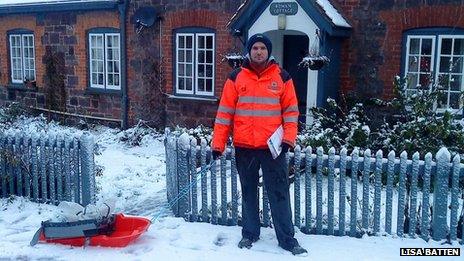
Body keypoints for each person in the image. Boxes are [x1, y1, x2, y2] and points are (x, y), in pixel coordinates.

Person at [211, 33, 307, 256]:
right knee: (248, 192)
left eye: (263, 48)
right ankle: (250, 233)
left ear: (269, 51)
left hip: (272, 149)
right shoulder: (236, 78)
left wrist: (288, 140)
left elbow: (291, 112)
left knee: (279, 192)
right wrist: (218, 144)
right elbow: (224, 114)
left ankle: (287, 239)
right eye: (255, 48)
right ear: (249, 51)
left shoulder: (282, 77)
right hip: (245, 147)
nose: (259, 51)